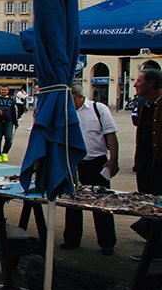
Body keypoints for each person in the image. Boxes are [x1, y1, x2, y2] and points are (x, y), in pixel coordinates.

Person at [61, 83, 119, 256]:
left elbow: (111, 135)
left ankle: (107, 242)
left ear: (76, 96)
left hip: (97, 163)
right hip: (75, 162)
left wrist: (113, 160)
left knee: (102, 203)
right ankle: (71, 239)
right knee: (72, 203)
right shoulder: (66, 113)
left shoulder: (98, 109)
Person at [131, 69, 162, 260]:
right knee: (148, 207)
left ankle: (156, 250)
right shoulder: (145, 106)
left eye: (139, 81)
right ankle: (154, 248)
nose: (135, 85)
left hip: (158, 167)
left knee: (158, 209)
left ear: (151, 84)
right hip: (144, 167)